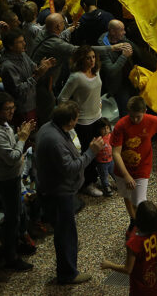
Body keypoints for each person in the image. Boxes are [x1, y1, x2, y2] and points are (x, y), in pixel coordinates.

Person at [35, 100, 106, 285]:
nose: (77, 122)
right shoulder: (55, 140)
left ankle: (68, 260)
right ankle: (67, 274)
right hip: (58, 192)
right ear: (69, 122)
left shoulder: (48, 128)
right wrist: (91, 152)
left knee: (65, 231)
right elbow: (70, 168)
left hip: (55, 188)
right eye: (76, 119)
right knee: (65, 233)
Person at [0, 91, 36, 272]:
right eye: (7, 109)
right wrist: (22, 139)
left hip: (13, 177)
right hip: (6, 180)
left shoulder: (3, 124)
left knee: (18, 215)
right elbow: (12, 157)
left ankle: (18, 243)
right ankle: (11, 257)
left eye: (13, 108)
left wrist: (19, 137)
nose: (12, 112)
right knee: (12, 220)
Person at [110, 96, 157, 222]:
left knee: (139, 201)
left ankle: (142, 223)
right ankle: (134, 220)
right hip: (122, 168)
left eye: (138, 116)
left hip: (142, 167)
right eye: (132, 116)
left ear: (145, 111)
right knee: (126, 196)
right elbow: (116, 153)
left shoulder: (151, 121)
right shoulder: (121, 126)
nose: (135, 120)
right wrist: (126, 175)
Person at [58, 45, 106, 195]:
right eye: (88, 58)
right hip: (84, 121)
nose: (91, 60)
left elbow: (97, 89)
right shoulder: (76, 77)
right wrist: (73, 112)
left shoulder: (96, 72)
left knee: (100, 150)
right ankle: (87, 183)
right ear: (81, 59)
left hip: (97, 116)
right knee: (88, 152)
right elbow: (62, 98)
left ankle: (99, 177)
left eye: (93, 57)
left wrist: (98, 102)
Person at [101, 201, 157, 296]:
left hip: (140, 288)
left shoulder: (133, 242)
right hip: (155, 279)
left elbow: (128, 269)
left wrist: (110, 265)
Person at [0, 28, 54, 124]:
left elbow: (34, 68)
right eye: (20, 42)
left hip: (32, 101)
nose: (24, 43)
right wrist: (37, 76)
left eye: (24, 40)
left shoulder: (23, 54)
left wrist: (42, 66)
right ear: (10, 46)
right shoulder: (8, 66)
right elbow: (19, 90)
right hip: (23, 108)